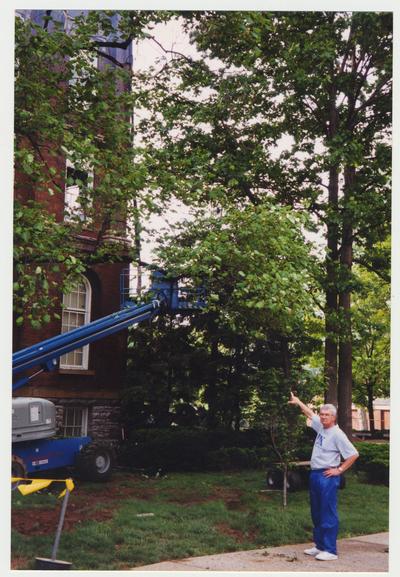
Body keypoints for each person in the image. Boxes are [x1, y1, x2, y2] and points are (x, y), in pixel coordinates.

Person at [288, 391, 359, 561]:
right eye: (322, 414)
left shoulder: (337, 434)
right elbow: (309, 413)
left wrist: (339, 470)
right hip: (315, 474)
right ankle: (319, 545)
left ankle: (330, 550)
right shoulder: (321, 427)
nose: (323, 417)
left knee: (327, 512)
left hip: (328, 475)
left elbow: (353, 454)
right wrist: (298, 402)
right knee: (316, 511)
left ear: (333, 418)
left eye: (327, 415)